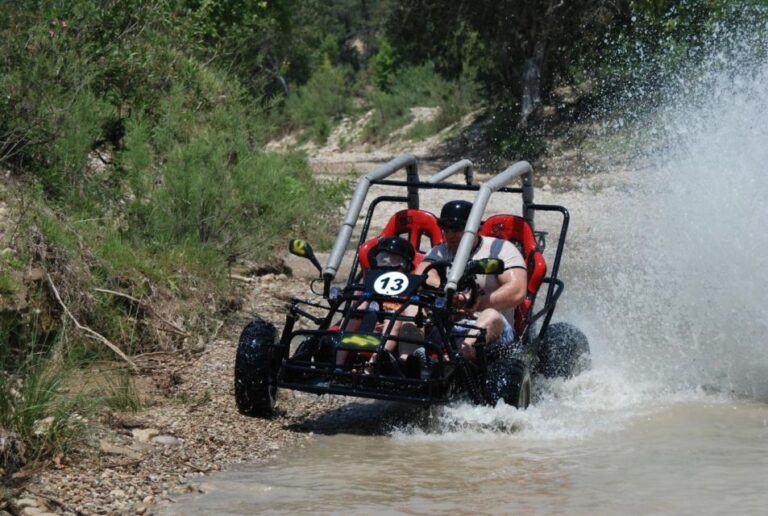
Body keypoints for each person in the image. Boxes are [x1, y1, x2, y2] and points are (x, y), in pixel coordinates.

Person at [414, 200, 528, 360]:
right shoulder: (440, 251)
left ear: (474, 229)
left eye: (456, 228)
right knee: (410, 308)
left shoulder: (499, 249)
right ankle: (408, 360)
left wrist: (476, 302)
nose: (449, 235)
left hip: (492, 330)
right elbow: (422, 277)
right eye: (445, 228)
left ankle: (456, 362)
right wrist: (447, 293)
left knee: (490, 314)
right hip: (445, 327)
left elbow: (518, 290)